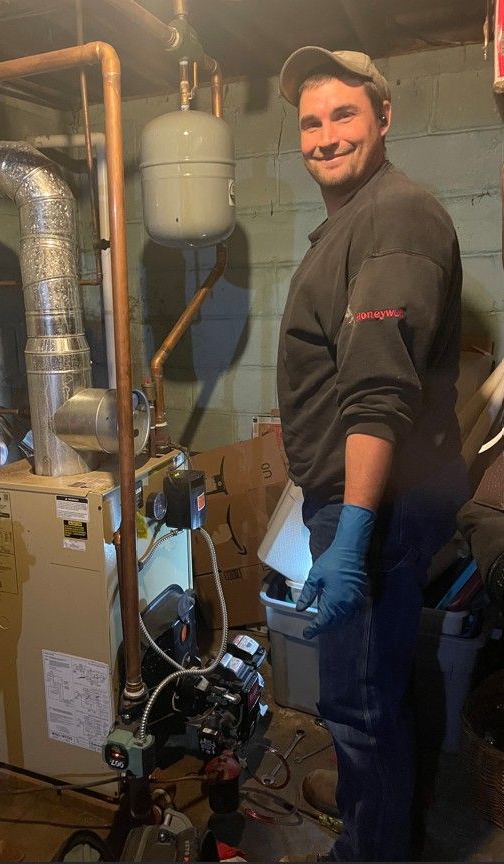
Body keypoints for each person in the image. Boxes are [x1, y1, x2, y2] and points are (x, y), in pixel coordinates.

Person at [276, 47, 470, 861]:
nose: (324, 135)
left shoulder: (392, 216)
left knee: (356, 707)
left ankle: (370, 849)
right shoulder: (359, 219)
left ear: (383, 117)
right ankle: (378, 815)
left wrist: (350, 534)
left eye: (343, 114)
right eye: (310, 122)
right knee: (378, 688)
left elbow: (376, 394)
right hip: (373, 497)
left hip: (376, 506)